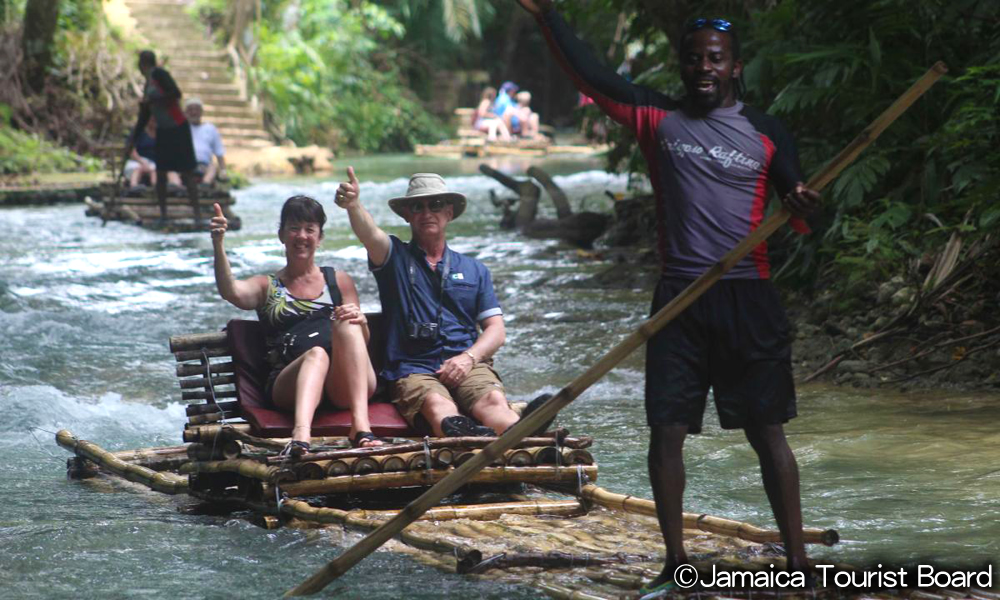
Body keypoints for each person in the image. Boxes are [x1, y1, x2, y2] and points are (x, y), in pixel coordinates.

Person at [518, 0, 821, 593]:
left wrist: (805, 201)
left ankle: (800, 565)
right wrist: (547, 16)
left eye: (715, 59)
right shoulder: (657, 118)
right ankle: (676, 566)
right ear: (683, 67)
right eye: (694, 59)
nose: (703, 67)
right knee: (666, 431)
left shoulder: (767, 131)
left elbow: (797, 197)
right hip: (678, 300)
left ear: (735, 66)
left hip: (748, 299)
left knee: (768, 433)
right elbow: (594, 76)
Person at [334, 169, 547, 438]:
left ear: (449, 212)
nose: (426, 212)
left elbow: (496, 330)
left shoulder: (475, 269)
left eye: (435, 205)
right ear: (407, 215)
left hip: (467, 363)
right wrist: (353, 205)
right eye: (417, 206)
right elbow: (369, 233)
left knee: (492, 401)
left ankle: (521, 432)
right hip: (413, 369)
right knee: (438, 405)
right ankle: (467, 437)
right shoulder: (393, 257)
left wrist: (468, 359)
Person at [209, 195, 383, 453]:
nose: (302, 236)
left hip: (342, 384)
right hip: (289, 385)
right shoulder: (266, 286)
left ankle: (360, 426)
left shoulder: (339, 280)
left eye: (310, 229)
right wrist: (218, 242)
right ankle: (301, 435)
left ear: (320, 237)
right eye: (294, 228)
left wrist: (362, 323)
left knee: (348, 323)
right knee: (317, 355)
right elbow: (231, 291)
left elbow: (361, 341)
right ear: (281, 235)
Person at [134, 50, 201, 224]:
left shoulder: (159, 74)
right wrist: (133, 137)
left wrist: (155, 101)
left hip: (178, 127)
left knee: (186, 171)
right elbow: (145, 115)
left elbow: (175, 93)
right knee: (161, 172)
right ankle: (163, 215)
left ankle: (197, 215)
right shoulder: (148, 83)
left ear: (142, 64)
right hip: (163, 130)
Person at [184, 97, 227, 186]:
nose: (194, 112)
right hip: (185, 166)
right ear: (186, 112)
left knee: (213, 167)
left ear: (201, 112)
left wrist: (223, 171)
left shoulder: (210, 128)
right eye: (190, 109)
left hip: (205, 166)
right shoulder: (181, 129)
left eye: (196, 109)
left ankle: (205, 185)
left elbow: (219, 153)